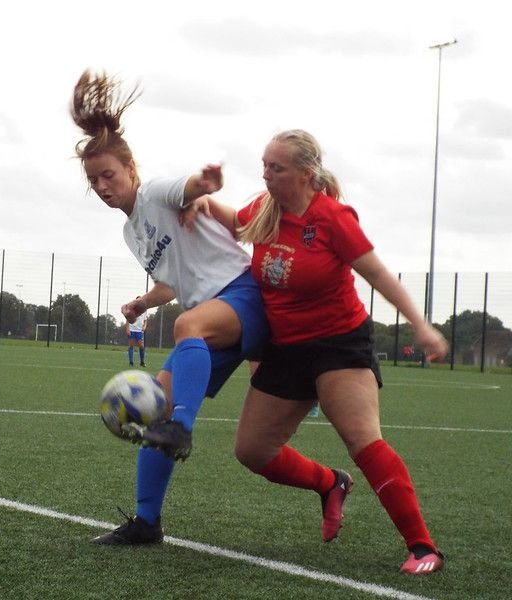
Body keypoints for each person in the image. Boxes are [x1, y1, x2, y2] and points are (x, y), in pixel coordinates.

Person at [182, 129, 447, 574]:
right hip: (286, 348)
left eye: (276, 168)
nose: (265, 175)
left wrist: (421, 326)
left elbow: (380, 276)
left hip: (338, 345)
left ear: (306, 174)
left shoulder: (333, 218)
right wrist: (201, 202)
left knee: (363, 441)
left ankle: (424, 548)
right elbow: (236, 220)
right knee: (253, 450)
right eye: (264, 165)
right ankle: (330, 484)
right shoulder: (266, 209)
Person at [71, 69, 269, 546]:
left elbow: (188, 187)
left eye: (109, 174)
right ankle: (146, 522)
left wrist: (204, 183)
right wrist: (142, 301)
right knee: (153, 416)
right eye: (93, 179)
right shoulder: (129, 231)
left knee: (186, 332)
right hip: (208, 320)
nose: (101, 185)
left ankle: (183, 426)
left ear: (131, 169)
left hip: (245, 294)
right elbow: (173, 281)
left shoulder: (157, 191)